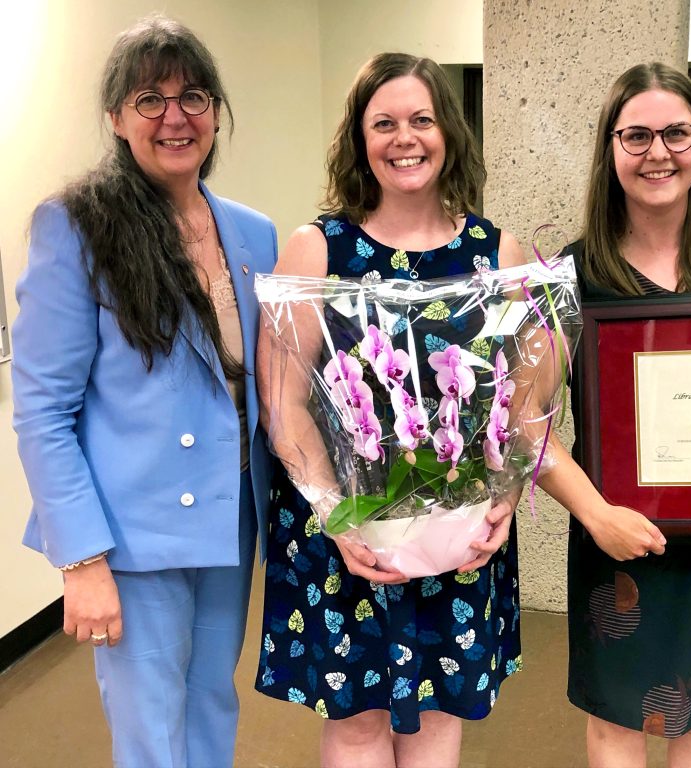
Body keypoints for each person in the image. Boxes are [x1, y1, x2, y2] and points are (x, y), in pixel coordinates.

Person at [11, 14, 276, 768]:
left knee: (210, 701)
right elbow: (42, 410)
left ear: (216, 112)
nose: (174, 117)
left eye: (192, 95)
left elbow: (266, 381)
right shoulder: (77, 227)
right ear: (115, 118)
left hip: (231, 516)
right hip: (131, 534)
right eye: (148, 99)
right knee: (150, 727)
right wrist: (82, 561)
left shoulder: (251, 232)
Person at [255, 53, 525, 768]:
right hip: (349, 532)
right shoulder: (316, 249)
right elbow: (283, 404)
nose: (405, 138)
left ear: (449, 133)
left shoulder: (497, 252)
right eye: (384, 123)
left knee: (438, 717)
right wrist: (340, 519)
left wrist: (506, 497)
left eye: (421, 120)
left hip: (458, 531)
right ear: (359, 140)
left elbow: (522, 399)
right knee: (359, 722)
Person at [534, 63, 691, 768]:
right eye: (636, 135)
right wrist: (594, 514)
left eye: (677, 132)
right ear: (610, 150)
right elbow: (526, 426)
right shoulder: (572, 276)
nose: (658, 152)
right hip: (617, 535)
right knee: (619, 719)